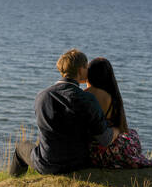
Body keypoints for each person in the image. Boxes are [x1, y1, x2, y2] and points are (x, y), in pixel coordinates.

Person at [9, 49, 121, 177]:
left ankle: (13, 182)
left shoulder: (42, 96)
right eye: (86, 67)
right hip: (78, 163)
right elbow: (105, 140)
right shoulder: (88, 99)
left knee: (20, 147)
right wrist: (117, 130)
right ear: (80, 70)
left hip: (47, 164)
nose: (88, 71)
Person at [86, 57, 152, 168]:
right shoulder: (111, 96)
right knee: (132, 134)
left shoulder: (84, 94)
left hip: (90, 150)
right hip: (105, 147)